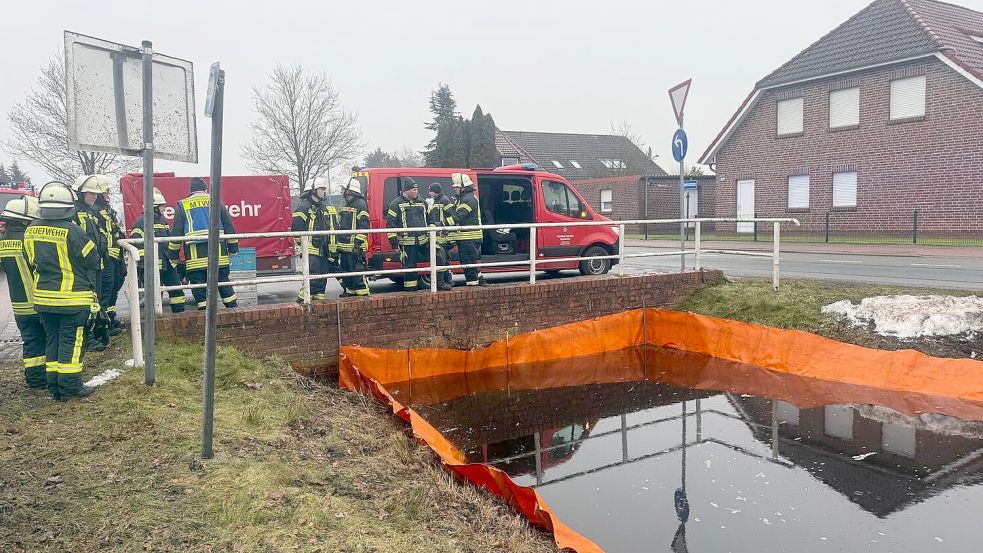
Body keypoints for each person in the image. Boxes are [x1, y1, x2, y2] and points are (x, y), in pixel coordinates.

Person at [23, 182, 101, 400]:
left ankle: (54, 386)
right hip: (71, 300)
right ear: (69, 208)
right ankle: (70, 387)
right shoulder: (73, 231)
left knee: (53, 340)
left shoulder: (30, 230)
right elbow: (93, 258)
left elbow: (30, 261)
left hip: (43, 300)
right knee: (71, 342)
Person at [167, 177, 238, 310]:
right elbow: (229, 226)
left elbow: (176, 234)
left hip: (195, 258)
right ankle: (233, 311)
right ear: (205, 190)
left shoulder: (183, 205)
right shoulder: (216, 201)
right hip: (218, 255)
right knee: (223, 283)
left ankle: (204, 315)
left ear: (191, 191)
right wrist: (233, 248)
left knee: (199, 287)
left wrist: (173, 256)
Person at [0, 195, 47, 390]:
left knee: (31, 342)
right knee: (47, 339)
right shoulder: (28, 240)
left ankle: (35, 379)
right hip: (38, 301)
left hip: (19, 306)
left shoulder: (3, 243)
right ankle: (49, 378)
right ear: (25, 219)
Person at [131, 187, 186, 313]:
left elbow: (169, 239)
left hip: (167, 263)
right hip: (151, 266)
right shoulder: (140, 223)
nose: (164, 209)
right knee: (154, 293)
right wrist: (145, 264)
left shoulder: (163, 221)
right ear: (155, 207)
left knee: (176, 289)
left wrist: (173, 257)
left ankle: (179, 313)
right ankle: (155, 316)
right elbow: (137, 244)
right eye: (162, 206)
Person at [73, 175, 111, 350]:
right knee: (86, 303)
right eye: (90, 193)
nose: (94, 197)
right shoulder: (72, 211)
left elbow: (100, 235)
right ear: (80, 192)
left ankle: (95, 333)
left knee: (96, 301)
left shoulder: (92, 211)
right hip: (83, 267)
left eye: (96, 194)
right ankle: (86, 340)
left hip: (96, 264)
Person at [291, 178, 338, 301]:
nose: (324, 192)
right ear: (313, 190)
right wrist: (305, 245)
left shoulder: (321, 206)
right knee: (311, 279)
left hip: (323, 250)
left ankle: (319, 303)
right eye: (321, 189)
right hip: (312, 250)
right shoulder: (304, 206)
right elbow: (295, 229)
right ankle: (302, 301)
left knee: (321, 280)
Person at [386, 177, 428, 292]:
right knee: (410, 268)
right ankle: (411, 292)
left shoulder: (422, 202)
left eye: (416, 190)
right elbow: (390, 225)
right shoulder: (396, 204)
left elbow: (431, 219)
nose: (416, 192)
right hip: (406, 243)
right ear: (406, 191)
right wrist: (394, 244)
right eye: (413, 190)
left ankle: (440, 284)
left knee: (439, 257)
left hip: (424, 241)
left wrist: (432, 234)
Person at [446, 173, 486, 286]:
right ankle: (477, 281)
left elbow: (459, 216)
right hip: (465, 237)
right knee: (468, 263)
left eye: (457, 187)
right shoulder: (463, 198)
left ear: (464, 187)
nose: (455, 189)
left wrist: (443, 224)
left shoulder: (468, 199)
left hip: (469, 237)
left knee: (468, 264)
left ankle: (472, 287)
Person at [337, 178, 371, 297]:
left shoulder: (360, 205)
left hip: (355, 248)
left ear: (349, 191)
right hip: (345, 247)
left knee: (357, 274)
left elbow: (364, 226)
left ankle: (363, 296)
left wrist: (357, 244)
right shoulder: (347, 204)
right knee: (346, 272)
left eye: (344, 189)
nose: (342, 191)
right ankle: (350, 292)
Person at [426, 182, 453, 290]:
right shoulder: (434, 201)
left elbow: (451, 216)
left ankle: (447, 281)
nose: (429, 193)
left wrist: (443, 226)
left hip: (443, 236)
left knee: (444, 260)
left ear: (436, 191)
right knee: (442, 259)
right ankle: (447, 281)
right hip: (436, 236)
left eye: (431, 191)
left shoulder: (445, 201)